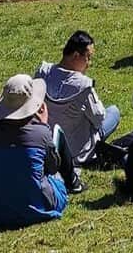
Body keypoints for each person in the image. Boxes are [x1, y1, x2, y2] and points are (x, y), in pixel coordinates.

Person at [0, 74, 69, 228]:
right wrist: (44, 124)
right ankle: (74, 182)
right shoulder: (41, 133)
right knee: (57, 178)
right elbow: (52, 167)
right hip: (37, 208)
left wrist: (3, 114)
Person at [35, 30, 121, 166]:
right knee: (114, 112)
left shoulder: (43, 73)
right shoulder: (83, 86)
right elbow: (99, 119)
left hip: (47, 146)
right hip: (76, 153)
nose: (89, 63)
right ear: (76, 55)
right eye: (88, 57)